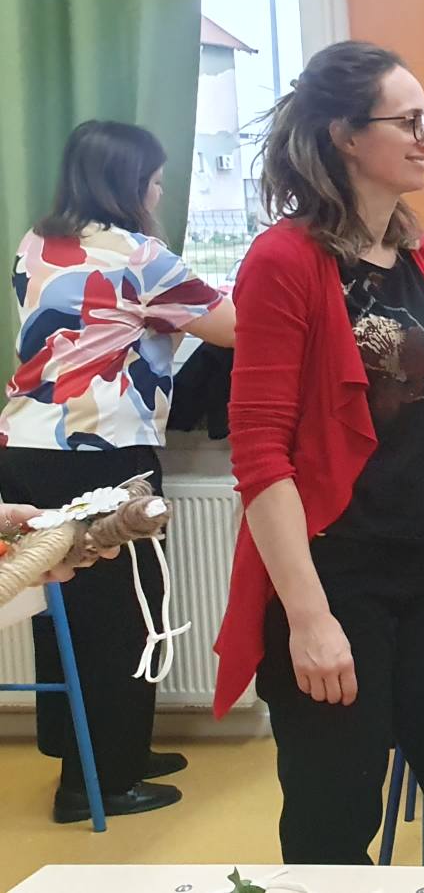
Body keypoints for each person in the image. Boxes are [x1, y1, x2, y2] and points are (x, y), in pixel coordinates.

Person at [211, 41, 424, 892]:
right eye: (410, 122)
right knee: (332, 831)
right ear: (345, 135)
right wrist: (309, 617)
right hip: (339, 583)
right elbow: (261, 453)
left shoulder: (419, 256)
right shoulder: (285, 262)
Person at [0, 120, 236, 823]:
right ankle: (97, 784)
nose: (159, 194)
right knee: (123, 615)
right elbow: (237, 327)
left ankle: (101, 754)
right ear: (130, 184)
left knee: (64, 615)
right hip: (100, 454)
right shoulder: (141, 255)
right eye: (155, 182)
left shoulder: (36, 242)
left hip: (23, 446)